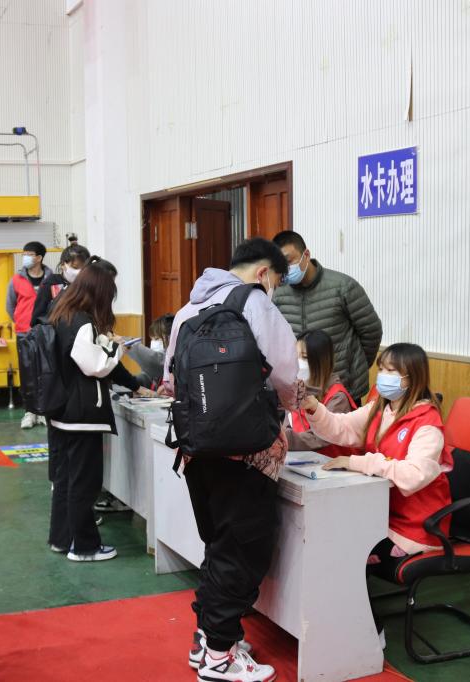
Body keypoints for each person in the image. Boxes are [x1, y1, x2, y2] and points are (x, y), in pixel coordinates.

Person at [162, 238, 299, 682]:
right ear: (263, 273)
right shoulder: (256, 303)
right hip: (247, 453)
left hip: (195, 450)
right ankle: (219, 658)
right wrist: (292, 406)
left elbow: (169, 380)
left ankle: (208, 640)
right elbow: (285, 375)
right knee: (242, 552)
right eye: (276, 280)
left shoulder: (187, 310)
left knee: (219, 546)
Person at [303, 343, 453, 642]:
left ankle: (371, 632)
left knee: (344, 551)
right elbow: (341, 427)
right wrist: (314, 407)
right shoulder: (380, 408)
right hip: (380, 515)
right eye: (381, 369)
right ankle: (336, 622)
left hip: (415, 528)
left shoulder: (427, 424)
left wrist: (358, 462)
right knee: (326, 540)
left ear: (411, 377)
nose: (382, 376)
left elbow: (413, 475)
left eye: (391, 371)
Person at [47, 259, 153, 562]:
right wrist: (118, 348)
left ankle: (62, 539)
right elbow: (96, 366)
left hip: (63, 412)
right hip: (82, 415)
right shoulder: (82, 322)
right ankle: (85, 547)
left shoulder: (62, 314)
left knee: (66, 480)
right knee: (85, 482)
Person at [272, 230, 383, 403]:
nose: (285, 269)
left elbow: (371, 331)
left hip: (342, 390)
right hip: (300, 391)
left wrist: (354, 368)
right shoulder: (278, 294)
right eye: (280, 265)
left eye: (289, 261)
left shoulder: (343, 287)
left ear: (306, 255)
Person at [286, 330, 358, 455]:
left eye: (304, 357)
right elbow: (286, 422)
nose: (297, 362)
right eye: (295, 356)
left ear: (321, 361)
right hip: (300, 457)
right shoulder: (295, 388)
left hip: (332, 461)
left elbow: (321, 438)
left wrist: (284, 438)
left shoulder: (337, 397)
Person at [7, 241, 48, 430]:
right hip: (24, 332)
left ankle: (43, 411)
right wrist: (21, 320)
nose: (25, 257)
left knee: (45, 372)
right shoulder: (16, 279)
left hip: (46, 332)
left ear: (39, 257)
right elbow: (10, 306)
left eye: (29, 254)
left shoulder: (51, 278)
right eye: (24, 253)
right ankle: (30, 412)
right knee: (27, 374)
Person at [31, 242, 91, 322]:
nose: (79, 272)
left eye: (84, 268)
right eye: (75, 267)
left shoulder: (89, 285)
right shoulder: (51, 283)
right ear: (63, 265)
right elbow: (37, 316)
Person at [127, 313, 174, 389]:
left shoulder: (172, 358)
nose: (153, 342)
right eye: (152, 339)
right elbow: (147, 377)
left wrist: (126, 343)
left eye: (157, 339)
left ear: (170, 338)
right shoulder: (154, 369)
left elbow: (153, 360)